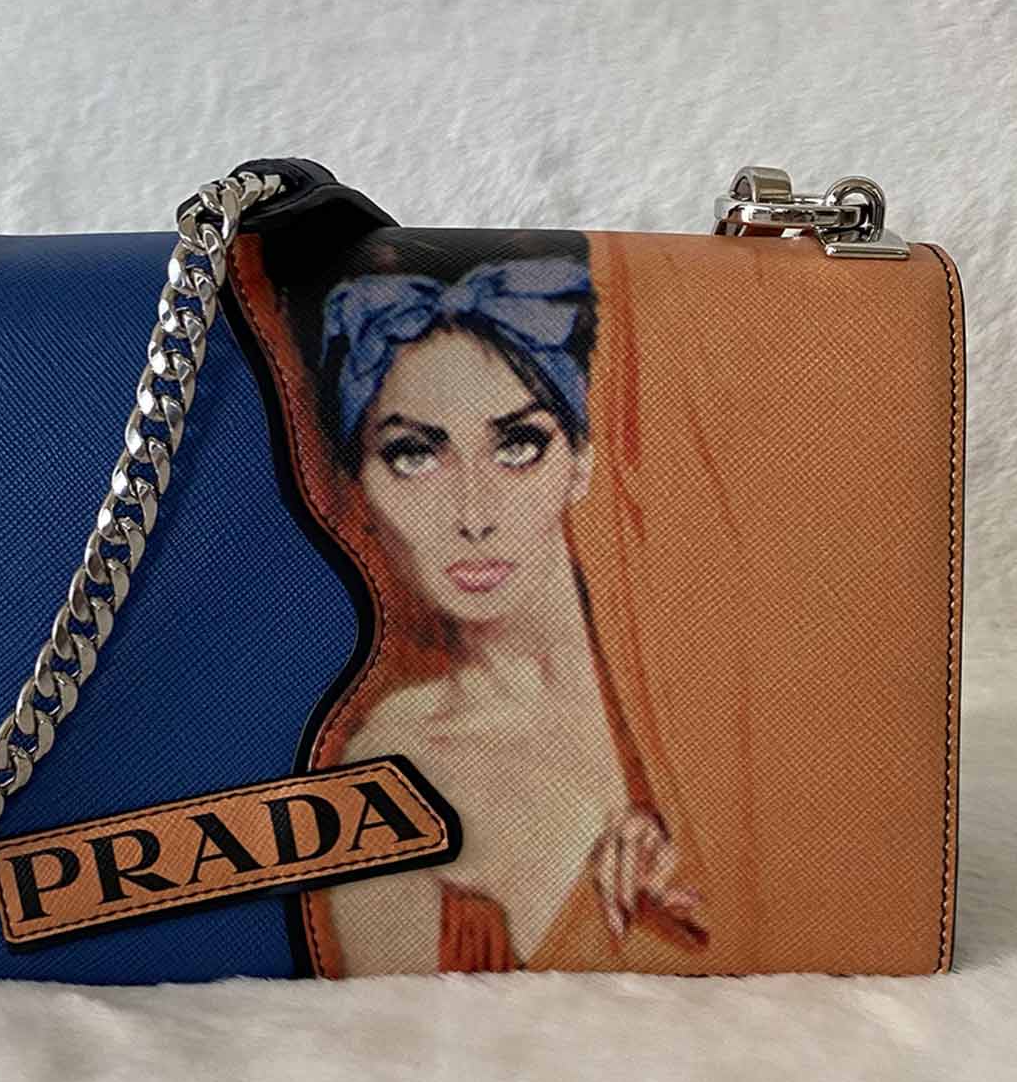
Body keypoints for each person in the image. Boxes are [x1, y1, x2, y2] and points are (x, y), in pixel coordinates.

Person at [294, 238, 709, 976]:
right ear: (360, 490)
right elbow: (378, 1034)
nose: (473, 514)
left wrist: (709, 869)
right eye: (414, 454)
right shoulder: (397, 765)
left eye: (518, 445)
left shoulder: (711, 664)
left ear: (582, 461)